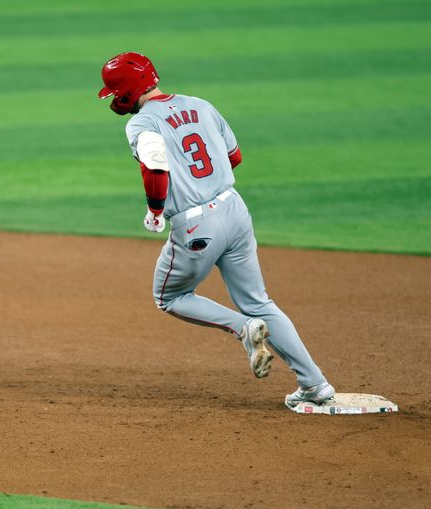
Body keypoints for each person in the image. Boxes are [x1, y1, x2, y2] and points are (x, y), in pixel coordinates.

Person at [97, 52, 334, 408]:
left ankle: (242, 329)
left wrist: (156, 210)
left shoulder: (141, 123)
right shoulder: (201, 105)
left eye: (115, 92)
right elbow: (233, 156)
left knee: (170, 297)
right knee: (259, 302)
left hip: (196, 226)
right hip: (234, 210)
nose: (115, 99)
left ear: (128, 91)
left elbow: (156, 165)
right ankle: (315, 385)